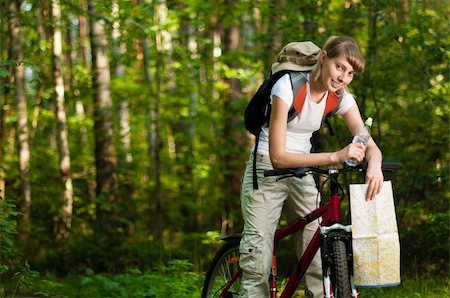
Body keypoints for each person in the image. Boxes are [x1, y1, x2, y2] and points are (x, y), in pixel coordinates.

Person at [238, 36, 384, 297]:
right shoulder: (287, 86)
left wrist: (375, 165)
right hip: (266, 169)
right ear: (324, 58)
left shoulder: (340, 97)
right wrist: (335, 156)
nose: (343, 77)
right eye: (339, 67)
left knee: (317, 256)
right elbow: (278, 157)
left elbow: (369, 144)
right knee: (257, 262)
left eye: (350, 73)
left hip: (303, 172)